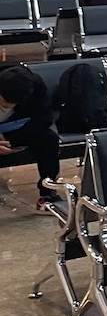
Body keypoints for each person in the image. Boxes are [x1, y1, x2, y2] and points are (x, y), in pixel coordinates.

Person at [0, 64, 63, 212]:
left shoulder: (35, 87)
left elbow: (43, 120)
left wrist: (10, 140)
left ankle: (48, 194)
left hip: (13, 130)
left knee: (49, 139)